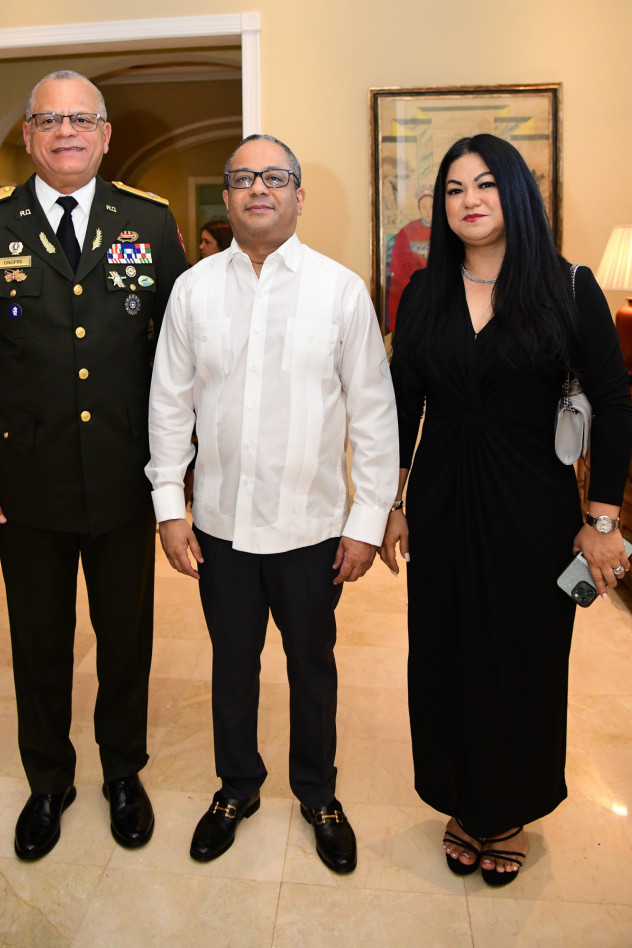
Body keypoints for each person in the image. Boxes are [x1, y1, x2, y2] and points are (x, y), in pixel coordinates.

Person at [0, 70, 188, 861]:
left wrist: (181, 475)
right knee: (38, 640)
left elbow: (181, 356)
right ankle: (48, 779)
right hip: (26, 485)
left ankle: (121, 773)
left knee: (126, 640)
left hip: (125, 478)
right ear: (29, 136)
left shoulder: (148, 223)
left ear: (106, 135)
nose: (67, 132)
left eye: (82, 119)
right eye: (50, 121)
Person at [380, 133, 632, 886]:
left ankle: (509, 810)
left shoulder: (567, 285)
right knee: (445, 652)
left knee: (520, 657)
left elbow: (614, 404)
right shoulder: (423, 291)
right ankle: (462, 801)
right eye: (454, 189)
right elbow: (404, 399)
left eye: (486, 184)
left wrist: (604, 520)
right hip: (442, 499)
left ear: (516, 192)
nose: (470, 200)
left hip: (532, 505)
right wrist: (391, 500)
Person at [146, 134, 399, 873]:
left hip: (314, 530)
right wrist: (169, 506)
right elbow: (170, 405)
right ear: (226, 197)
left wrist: (364, 522)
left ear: (298, 194)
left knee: (312, 666)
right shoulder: (193, 290)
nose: (260, 188)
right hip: (220, 527)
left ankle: (318, 792)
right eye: (244, 177)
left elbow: (373, 416)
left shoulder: (340, 290)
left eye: (276, 176)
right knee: (232, 664)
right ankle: (237, 786)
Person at [386, 185, 432, 331]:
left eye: (431, 206)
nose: (427, 210)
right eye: (423, 206)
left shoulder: (446, 230)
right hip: (411, 284)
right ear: (419, 209)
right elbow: (398, 264)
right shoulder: (407, 231)